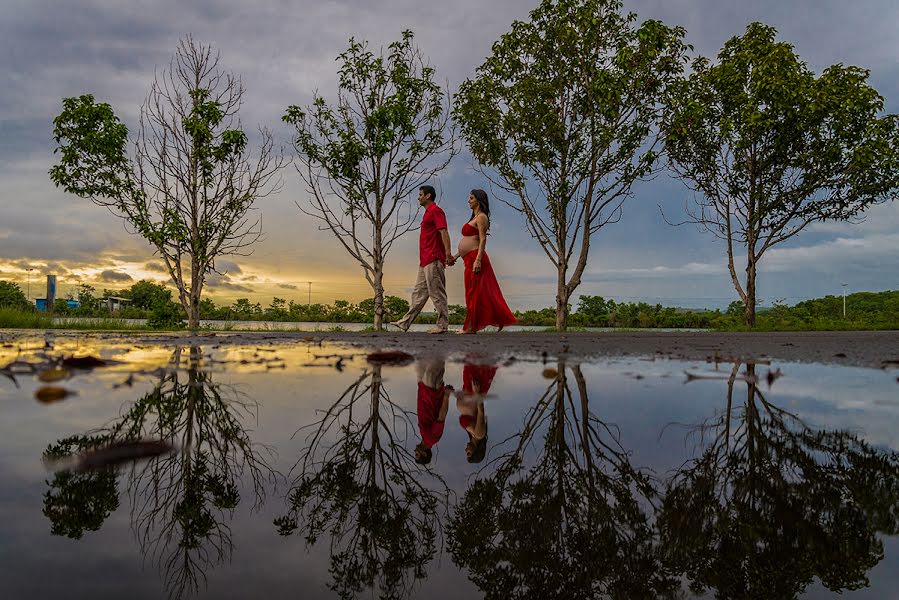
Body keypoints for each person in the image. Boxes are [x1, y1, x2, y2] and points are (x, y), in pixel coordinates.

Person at [450, 189, 517, 334]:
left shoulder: (481, 217)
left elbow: (482, 239)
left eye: (471, 198)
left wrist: (478, 260)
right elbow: (469, 242)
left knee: (474, 293)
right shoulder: (473, 217)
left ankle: (469, 328)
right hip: (468, 259)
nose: (469, 200)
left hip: (476, 259)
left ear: (479, 200)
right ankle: (478, 325)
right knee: (472, 292)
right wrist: (455, 256)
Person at [390, 185, 455, 334]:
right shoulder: (427, 213)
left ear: (428, 196)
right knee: (418, 293)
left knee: (437, 293)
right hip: (424, 260)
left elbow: (443, 231)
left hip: (433, 258)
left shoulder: (436, 211)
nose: (418, 197)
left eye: (420, 194)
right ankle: (405, 322)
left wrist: (448, 254)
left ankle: (442, 325)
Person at [456, 361, 498, 463]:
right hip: (474, 392)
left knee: (470, 359)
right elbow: (481, 412)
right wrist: (476, 392)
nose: (466, 450)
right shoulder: (479, 434)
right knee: (477, 359)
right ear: (476, 451)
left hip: (467, 390)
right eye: (468, 453)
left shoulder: (472, 434)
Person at [414, 356, 452, 465]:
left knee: (421, 356)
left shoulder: (424, 436)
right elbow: (441, 417)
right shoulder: (432, 439)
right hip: (432, 391)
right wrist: (446, 396)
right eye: (417, 454)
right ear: (424, 454)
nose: (415, 451)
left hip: (423, 388)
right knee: (436, 356)